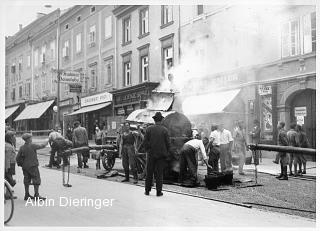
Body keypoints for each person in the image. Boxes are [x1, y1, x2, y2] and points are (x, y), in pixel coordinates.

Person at [143, 112, 171, 196]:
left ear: (154, 120)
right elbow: (168, 144)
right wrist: (166, 153)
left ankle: (147, 191)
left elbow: (145, 142)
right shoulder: (165, 130)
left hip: (151, 154)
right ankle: (159, 192)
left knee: (149, 172)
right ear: (161, 120)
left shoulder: (149, 129)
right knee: (159, 174)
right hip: (161, 155)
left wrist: (148, 150)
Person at [16, 133, 48, 200]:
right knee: (36, 179)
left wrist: (21, 164)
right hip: (33, 166)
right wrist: (47, 140)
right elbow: (42, 146)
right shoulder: (32, 145)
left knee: (26, 180)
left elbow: (18, 158)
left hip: (25, 167)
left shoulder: (22, 147)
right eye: (30, 138)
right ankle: (36, 195)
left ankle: (26, 194)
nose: (31, 139)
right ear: (28, 139)